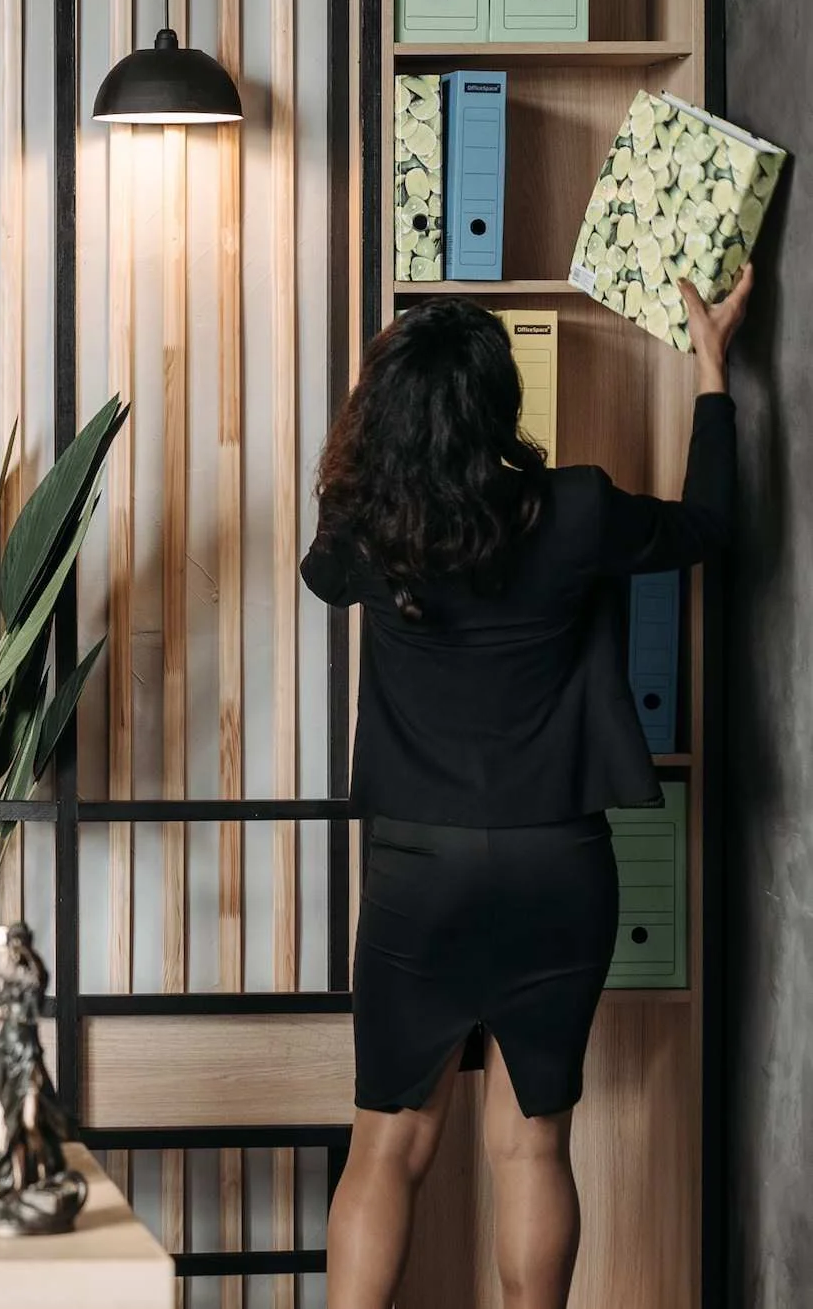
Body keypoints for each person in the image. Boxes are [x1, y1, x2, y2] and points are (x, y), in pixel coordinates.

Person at [304, 271, 747, 1309]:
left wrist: (374, 379)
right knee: (533, 1140)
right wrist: (711, 368)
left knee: (389, 1142)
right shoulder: (578, 510)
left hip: (421, 873)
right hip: (560, 865)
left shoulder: (366, 536)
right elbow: (709, 527)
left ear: (394, 405)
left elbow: (328, 531)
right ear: (501, 404)